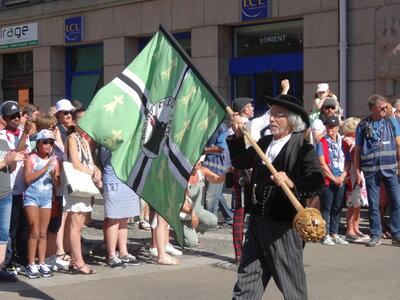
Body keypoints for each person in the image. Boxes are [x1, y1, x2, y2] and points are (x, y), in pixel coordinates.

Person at [228, 94, 324, 299]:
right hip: (257, 224)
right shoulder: (263, 142)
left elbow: (316, 181)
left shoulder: (302, 149)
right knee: (247, 279)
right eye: (271, 114)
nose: (271, 118)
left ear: (292, 120)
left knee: (291, 285)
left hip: (284, 227)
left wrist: (292, 182)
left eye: (278, 115)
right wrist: (237, 137)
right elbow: (239, 162)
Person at [354, 95, 400, 247]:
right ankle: (375, 235)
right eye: (382, 108)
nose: (386, 110)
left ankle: (397, 235)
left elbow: (399, 144)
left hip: (390, 169)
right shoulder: (362, 125)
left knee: (396, 202)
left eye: (386, 107)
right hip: (371, 171)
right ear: (372, 109)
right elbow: (357, 150)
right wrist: (357, 172)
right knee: (373, 204)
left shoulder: (391, 121)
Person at [64, 108, 102, 274]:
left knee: (80, 223)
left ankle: (76, 260)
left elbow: (89, 162)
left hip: (84, 184)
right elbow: (76, 164)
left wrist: (97, 170)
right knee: (75, 224)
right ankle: (78, 260)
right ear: (75, 122)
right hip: (76, 184)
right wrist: (92, 172)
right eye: (83, 121)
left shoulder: (84, 141)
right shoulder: (72, 138)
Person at [0, 101, 32, 276]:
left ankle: (21, 258)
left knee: (23, 227)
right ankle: (8, 261)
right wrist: (25, 133)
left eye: (18, 115)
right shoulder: (2, 136)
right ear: (4, 119)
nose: (17, 119)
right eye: (12, 117)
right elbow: (15, 155)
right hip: (9, 187)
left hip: (25, 187)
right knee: (9, 229)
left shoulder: (23, 133)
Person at [24, 130, 60, 279]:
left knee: (43, 233)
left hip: (46, 198)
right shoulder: (31, 158)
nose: (48, 145)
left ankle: (42, 262)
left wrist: (53, 177)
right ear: (38, 143)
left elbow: (58, 185)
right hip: (31, 197)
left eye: (51, 142)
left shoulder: (54, 160)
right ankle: (31, 263)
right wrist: (44, 169)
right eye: (45, 142)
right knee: (34, 232)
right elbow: (27, 179)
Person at [100, 146, 141, 268]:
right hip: (113, 177)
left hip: (128, 177)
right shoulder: (108, 132)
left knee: (124, 218)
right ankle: (112, 254)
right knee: (114, 218)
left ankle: (123, 252)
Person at [316, 116, 349, 246]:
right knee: (326, 208)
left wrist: (342, 177)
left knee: (337, 207)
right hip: (328, 180)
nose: (330, 128)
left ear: (337, 127)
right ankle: (326, 235)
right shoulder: (322, 142)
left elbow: (348, 163)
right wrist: (333, 178)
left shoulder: (343, 143)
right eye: (328, 126)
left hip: (341, 179)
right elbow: (322, 164)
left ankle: (335, 233)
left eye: (332, 126)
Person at [179, 159, 221, 247]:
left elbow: (216, 179)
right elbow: (180, 203)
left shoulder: (202, 171)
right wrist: (192, 213)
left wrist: (228, 173)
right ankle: (173, 232)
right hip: (184, 213)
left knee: (212, 221)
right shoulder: (181, 175)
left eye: (200, 161)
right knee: (192, 243)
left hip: (198, 210)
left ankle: (190, 231)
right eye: (196, 160)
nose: (199, 163)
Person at [342, 117, 369, 242]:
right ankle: (350, 230)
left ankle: (356, 227)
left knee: (358, 203)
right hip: (352, 173)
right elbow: (352, 157)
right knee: (352, 202)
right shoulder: (347, 140)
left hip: (359, 172)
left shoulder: (356, 139)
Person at [0, 147, 25, 282]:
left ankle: (0, 268)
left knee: (4, 233)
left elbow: (10, 170)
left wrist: (13, 161)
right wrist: (5, 162)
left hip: (5, 194)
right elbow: (4, 163)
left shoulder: (3, 142)